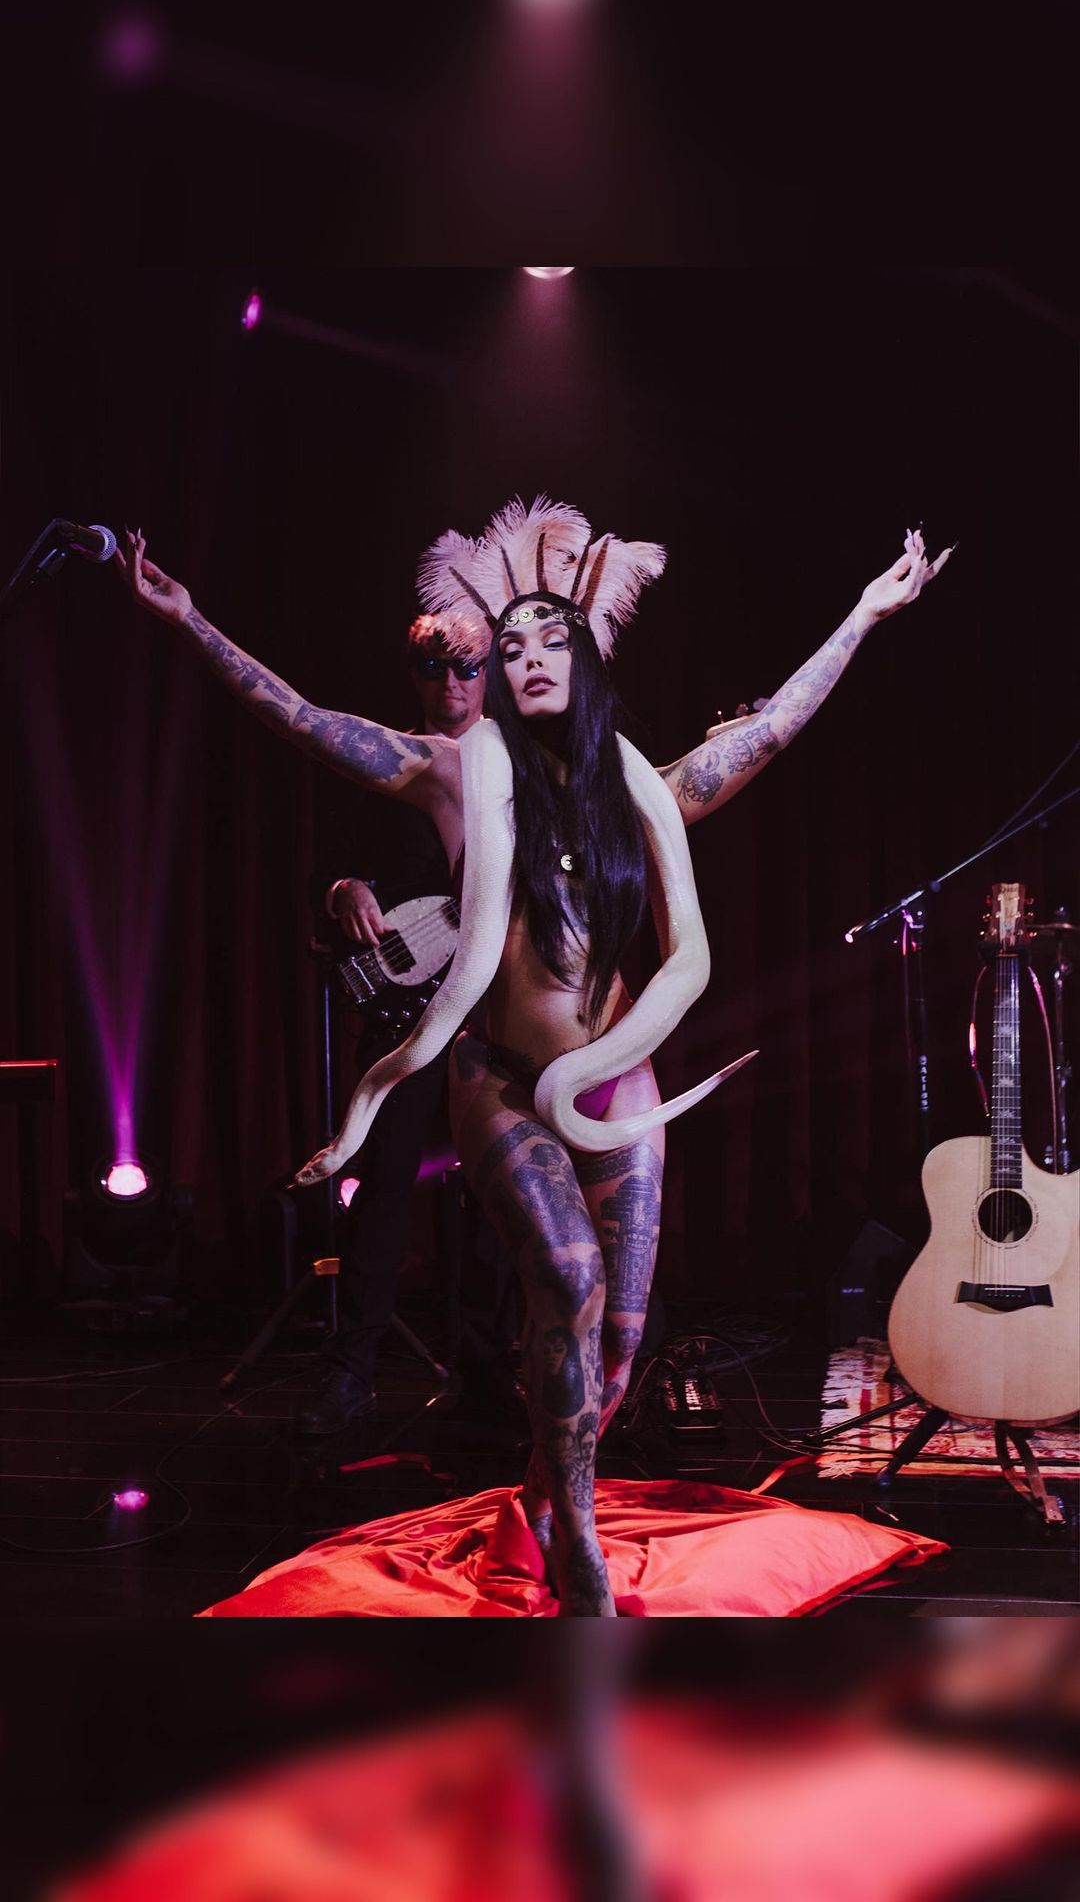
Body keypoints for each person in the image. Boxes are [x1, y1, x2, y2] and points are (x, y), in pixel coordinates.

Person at [117, 499, 952, 1613]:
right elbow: (305, 719)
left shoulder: (641, 788)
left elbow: (771, 731)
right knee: (566, 1278)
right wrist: (188, 621)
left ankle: (550, 1484)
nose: (528, 660)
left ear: (586, 659)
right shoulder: (452, 773)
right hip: (505, 1084)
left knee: (620, 1342)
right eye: (510, 649)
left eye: (552, 641)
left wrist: (864, 614)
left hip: (617, 1081)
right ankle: (579, 1541)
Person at [299, 614, 514, 1434]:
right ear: (412, 674)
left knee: (494, 1201)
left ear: (488, 671)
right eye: (432, 669)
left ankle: (488, 1376)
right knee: (383, 1190)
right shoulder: (383, 761)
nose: (450, 683)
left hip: (495, 1016)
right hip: (405, 1012)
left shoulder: (521, 768)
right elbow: (324, 863)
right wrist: (344, 890)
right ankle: (350, 1376)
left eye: (465, 668)